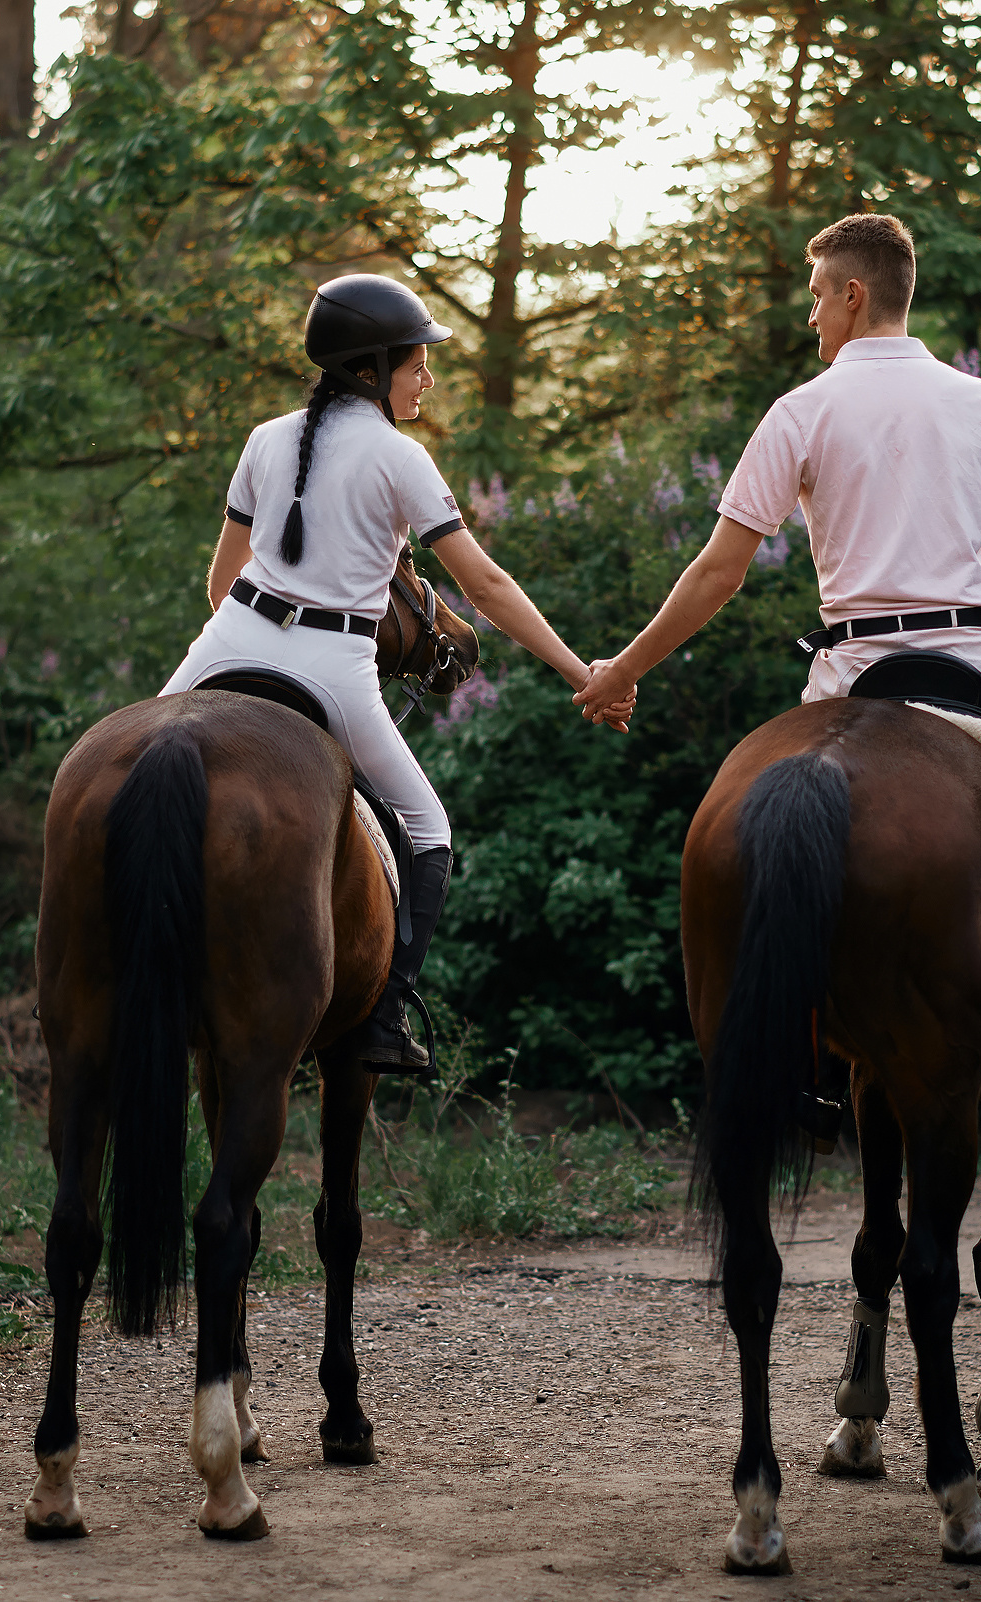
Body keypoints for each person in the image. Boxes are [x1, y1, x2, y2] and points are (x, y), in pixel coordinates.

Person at [572, 215, 981, 1130]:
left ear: (853, 294)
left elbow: (719, 573)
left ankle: (810, 1059)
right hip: (979, 656)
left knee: (771, 823)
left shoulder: (802, 411)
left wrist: (624, 667)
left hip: (852, 671)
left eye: (817, 296)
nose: (812, 317)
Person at [164, 273, 632, 1071]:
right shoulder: (400, 457)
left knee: (127, 777)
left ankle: (90, 976)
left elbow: (220, 584)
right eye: (420, 362)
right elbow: (484, 587)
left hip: (228, 638)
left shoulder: (263, 438)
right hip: (334, 662)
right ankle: (381, 1020)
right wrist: (578, 671)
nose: (430, 377)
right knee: (427, 829)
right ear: (373, 370)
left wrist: (247, 639)